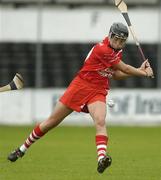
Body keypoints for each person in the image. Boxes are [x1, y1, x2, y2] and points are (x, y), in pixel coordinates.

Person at [7, 22, 153, 174]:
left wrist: (139, 70)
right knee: (51, 122)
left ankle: (101, 158)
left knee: (100, 121)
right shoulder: (102, 49)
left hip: (98, 90)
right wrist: (142, 72)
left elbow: (116, 75)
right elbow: (125, 68)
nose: (118, 43)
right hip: (80, 86)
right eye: (116, 39)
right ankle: (22, 149)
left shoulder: (117, 52)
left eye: (122, 41)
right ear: (110, 35)